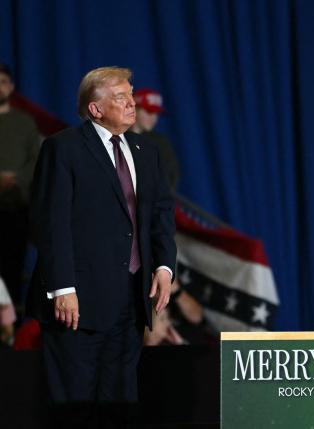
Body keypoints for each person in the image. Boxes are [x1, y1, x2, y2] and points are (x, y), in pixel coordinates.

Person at [27, 66, 176, 428]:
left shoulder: (146, 151)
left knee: (120, 404)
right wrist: (63, 288)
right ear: (95, 108)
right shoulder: (63, 149)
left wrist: (164, 267)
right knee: (74, 406)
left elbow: (159, 215)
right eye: (121, 97)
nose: (132, 103)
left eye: (131, 94)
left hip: (130, 300)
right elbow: (51, 224)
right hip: (76, 304)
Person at [0, 63, 40, 308]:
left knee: (12, 269)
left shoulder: (24, 122)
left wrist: (14, 179)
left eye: (3, 82)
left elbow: (35, 161)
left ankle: (10, 334)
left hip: (16, 208)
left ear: (11, 87)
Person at [130, 88, 181, 192]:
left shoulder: (160, 143)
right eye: (149, 112)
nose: (153, 117)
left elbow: (171, 175)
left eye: (156, 113)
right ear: (134, 109)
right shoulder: (116, 138)